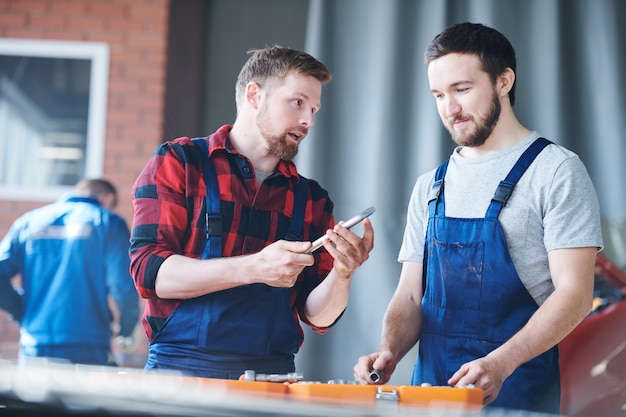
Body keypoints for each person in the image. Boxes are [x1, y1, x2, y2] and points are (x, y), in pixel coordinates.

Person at [353, 22, 603, 414]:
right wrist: (389, 351)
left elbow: (574, 296)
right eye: (438, 95)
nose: (450, 109)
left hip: (519, 398)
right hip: (429, 398)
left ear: (504, 81)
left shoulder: (556, 171)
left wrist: (500, 363)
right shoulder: (431, 185)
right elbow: (409, 295)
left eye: (462, 90)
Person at [129, 46, 375, 379]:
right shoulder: (181, 163)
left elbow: (317, 316)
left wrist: (343, 274)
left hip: (273, 381)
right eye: (297, 102)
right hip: (179, 375)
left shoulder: (312, 199)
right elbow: (150, 273)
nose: (308, 120)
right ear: (254, 95)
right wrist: (256, 267)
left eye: (314, 109)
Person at [0, 178, 139, 366]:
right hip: (88, 344)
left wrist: (24, 312)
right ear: (108, 198)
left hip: (35, 343)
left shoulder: (28, 222)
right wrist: (127, 329)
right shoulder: (108, 221)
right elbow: (122, 286)